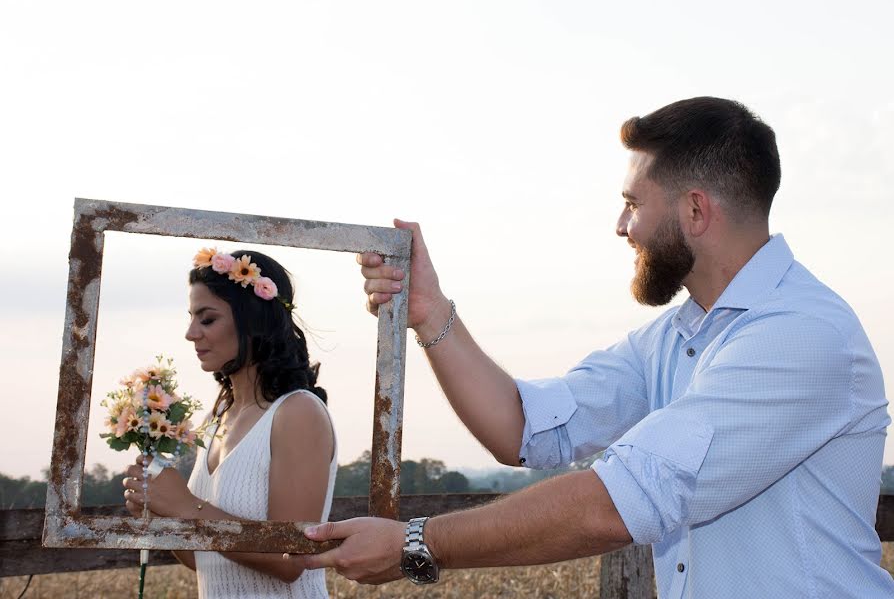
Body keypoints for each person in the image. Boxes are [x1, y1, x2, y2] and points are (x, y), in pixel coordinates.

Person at [295, 97, 894, 597]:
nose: (620, 225)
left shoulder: (802, 336)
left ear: (694, 210)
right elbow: (525, 427)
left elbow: (616, 505)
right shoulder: (672, 339)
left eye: (633, 203)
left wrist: (416, 543)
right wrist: (430, 313)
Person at [123, 248, 337, 598]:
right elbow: (207, 560)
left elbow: (290, 560)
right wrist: (162, 513)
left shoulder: (298, 413)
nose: (191, 333)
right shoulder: (217, 417)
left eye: (207, 319)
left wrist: (183, 505)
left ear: (253, 320)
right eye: (192, 318)